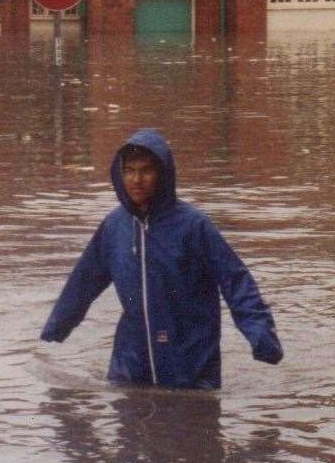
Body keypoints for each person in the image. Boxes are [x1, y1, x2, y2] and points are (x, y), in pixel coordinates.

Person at [41, 128, 282, 389]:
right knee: (129, 422)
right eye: (129, 171)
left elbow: (235, 280)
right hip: (131, 362)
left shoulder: (193, 226)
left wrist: (260, 333)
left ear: (162, 175)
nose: (137, 180)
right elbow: (84, 281)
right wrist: (57, 327)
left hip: (190, 362)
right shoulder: (114, 227)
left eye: (146, 170)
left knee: (192, 425)